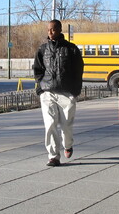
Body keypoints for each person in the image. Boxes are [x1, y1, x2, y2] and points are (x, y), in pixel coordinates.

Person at [33, 19, 84, 166]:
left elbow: (78, 70)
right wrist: (41, 86)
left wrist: (75, 90)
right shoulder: (43, 49)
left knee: (67, 125)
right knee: (50, 124)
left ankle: (68, 145)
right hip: (48, 93)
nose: (50, 32)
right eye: (48, 29)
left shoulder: (71, 49)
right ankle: (53, 156)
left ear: (60, 30)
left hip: (66, 93)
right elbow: (37, 69)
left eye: (53, 29)